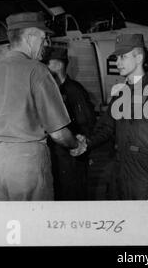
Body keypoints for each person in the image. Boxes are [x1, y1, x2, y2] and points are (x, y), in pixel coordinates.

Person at [0, 12, 87, 201]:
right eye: (43, 37)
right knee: (32, 225)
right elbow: (58, 133)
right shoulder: (37, 70)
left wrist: (8, 130)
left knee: (4, 226)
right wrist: (77, 145)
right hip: (27, 162)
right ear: (30, 37)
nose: (46, 43)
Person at [87, 34, 148, 200]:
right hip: (119, 169)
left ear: (139, 58)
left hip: (144, 172)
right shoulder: (119, 95)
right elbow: (106, 128)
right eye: (117, 58)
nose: (117, 63)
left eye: (123, 57)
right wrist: (86, 144)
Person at [43, 46, 96, 200]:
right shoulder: (51, 89)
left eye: (47, 63)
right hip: (56, 157)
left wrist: (83, 146)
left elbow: (87, 124)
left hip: (72, 158)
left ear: (59, 65)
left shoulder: (75, 90)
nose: (44, 67)